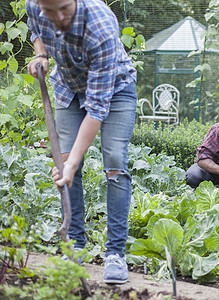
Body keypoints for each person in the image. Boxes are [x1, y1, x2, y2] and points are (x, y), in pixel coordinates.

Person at [26, 0, 137, 284]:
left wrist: (73, 162)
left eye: (65, 7)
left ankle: (115, 254)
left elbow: (97, 108)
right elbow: (34, 25)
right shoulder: (34, 5)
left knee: (113, 159)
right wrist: (41, 54)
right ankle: (73, 244)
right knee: (64, 161)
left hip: (115, 89)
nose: (59, 17)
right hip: (67, 88)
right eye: (51, 11)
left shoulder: (100, 25)